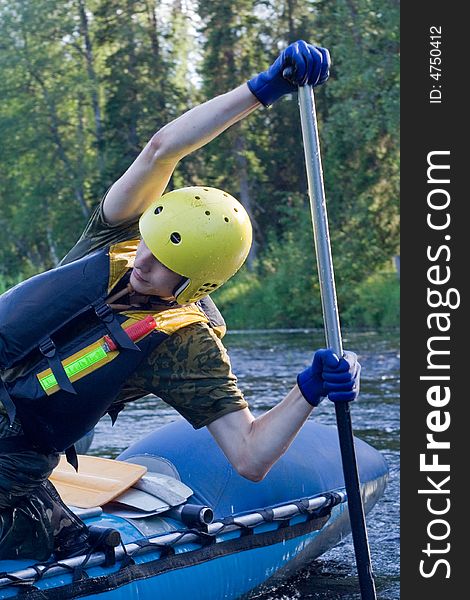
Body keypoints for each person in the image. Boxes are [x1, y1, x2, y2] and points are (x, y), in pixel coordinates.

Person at [0, 40, 360, 561]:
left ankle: (37, 522)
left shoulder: (185, 344)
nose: (141, 262)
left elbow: (250, 456)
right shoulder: (118, 237)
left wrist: (309, 389)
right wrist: (262, 89)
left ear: (199, 284)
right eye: (149, 242)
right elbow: (162, 149)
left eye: (164, 265)